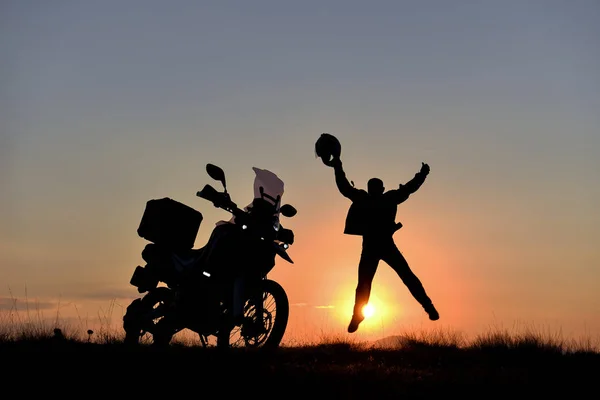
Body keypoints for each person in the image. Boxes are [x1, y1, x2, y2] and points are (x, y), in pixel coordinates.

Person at [323, 154, 439, 333]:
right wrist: (422, 175)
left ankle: (427, 307)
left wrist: (338, 166)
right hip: (378, 246)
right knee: (391, 279)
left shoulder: (374, 198)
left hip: (380, 246)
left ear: (377, 189)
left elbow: (345, 187)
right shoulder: (385, 198)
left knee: (379, 281)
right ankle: (358, 315)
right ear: (378, 189)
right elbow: (408, 188)